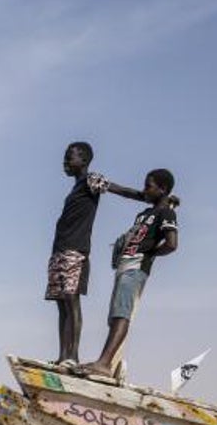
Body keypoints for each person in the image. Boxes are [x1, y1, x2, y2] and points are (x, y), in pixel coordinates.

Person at [46, 143, 154, 365]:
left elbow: (120, 190)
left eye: (70, 157)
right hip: (60, 250)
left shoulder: (90, 180)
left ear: (83, 160)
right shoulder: (75, 187)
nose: (65, 162)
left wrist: (147, 198)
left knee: (71, 300)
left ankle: (72, 356)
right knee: (61, 304)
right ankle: (62, 355)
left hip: (76, 250)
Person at [75, 169, 179, 380]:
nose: (144, 189)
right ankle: (108, 364)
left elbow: (172, 244)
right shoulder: (145, 213)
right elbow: (129, 193)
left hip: (135, 268)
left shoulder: (166, 213)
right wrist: (107, 186)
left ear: (163, 189)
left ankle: (103, 364)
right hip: (125, 267)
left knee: (121, 314)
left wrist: (149, 255)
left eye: (148, 185)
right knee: (114, 317)